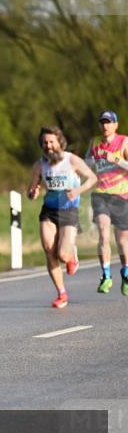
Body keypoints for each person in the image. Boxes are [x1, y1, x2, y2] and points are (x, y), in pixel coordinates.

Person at [26, 126, 97, 308]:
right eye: (44, 142)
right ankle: (62, 293)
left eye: (51, 142)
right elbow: (31, 190)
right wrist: (32, 193)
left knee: (62, 255)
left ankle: (71, 255)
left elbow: (92, 178)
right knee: (49, 250)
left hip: (68, 210)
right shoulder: (39, 165)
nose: (48, 145)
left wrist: (77, 190)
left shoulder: (71, 160)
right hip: (49, 211)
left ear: (59, 142)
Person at [84, 110, 128, 295]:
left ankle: (126, 273)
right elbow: (85, 165)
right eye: (102, 122)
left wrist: (117, 159)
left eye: (109, 122)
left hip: (121, 195)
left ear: (115, 125)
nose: (105, 126)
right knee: (103, 232)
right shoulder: (94, 142)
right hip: (101, 194)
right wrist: (92, 163)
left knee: (122, 239)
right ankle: (106, 275)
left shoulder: (124, 141)